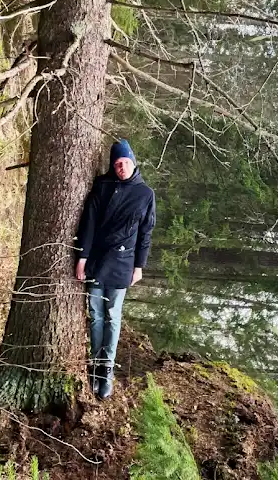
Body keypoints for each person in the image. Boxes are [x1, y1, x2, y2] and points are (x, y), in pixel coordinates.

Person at [75, 139, 156, 399]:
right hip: (97, 260)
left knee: (112, 315)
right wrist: (82, 257)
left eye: (126, 162)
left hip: (123, 263)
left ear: (133, 163)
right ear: (113, 165)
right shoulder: (102, 185)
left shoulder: (145, 194)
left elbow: (145, 234)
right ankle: (95, 365)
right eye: (117, 163)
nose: (122, 167)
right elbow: (88, 222)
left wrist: (139, 266)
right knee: (95, 314)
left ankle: (106, 370)